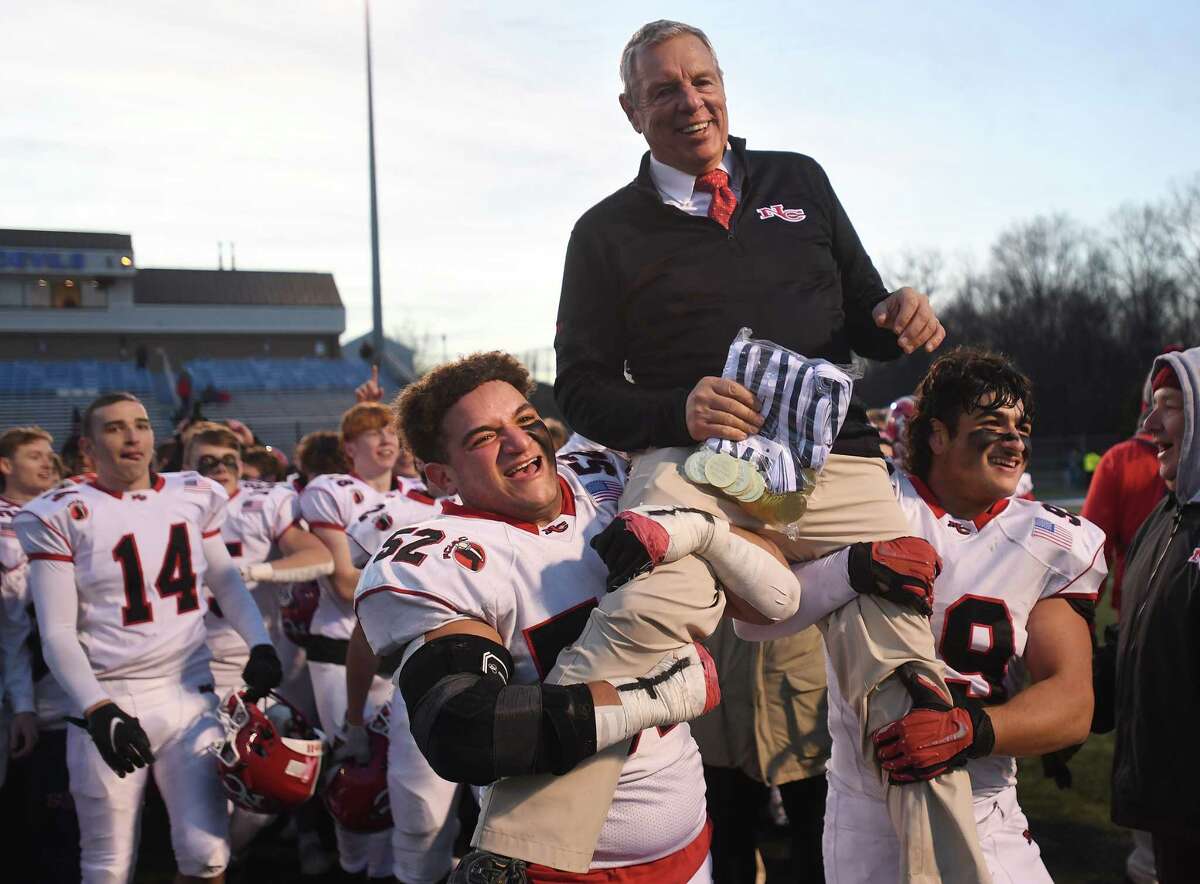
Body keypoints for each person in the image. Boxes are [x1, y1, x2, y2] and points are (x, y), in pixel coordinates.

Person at [480, 20, 982, 880]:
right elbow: (583, 389)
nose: (691, 101)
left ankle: (950, 873)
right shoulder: (604, 232)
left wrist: (897, 313)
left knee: (905, 668)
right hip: (695, 461)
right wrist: (679, 406)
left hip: (833, 457)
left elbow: (861, 313)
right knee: (640, 616)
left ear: (724, 85)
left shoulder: (799, 179)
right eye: (666, 89)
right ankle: (514, 855)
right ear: (631, 111)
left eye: (702, 80)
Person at [354, 352, 752, 882]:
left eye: (525, 421)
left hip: (689, 840)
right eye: (484, 437)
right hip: (558, 864)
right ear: (440, 475)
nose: (519, 443)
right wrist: (654, 697)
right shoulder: (442, 555)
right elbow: (466, 727)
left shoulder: (610, 475)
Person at [738, 348, 1105, 881]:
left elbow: (1072, 704)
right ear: (936, 435)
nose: (1014, 440)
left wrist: (969, 730)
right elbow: (751, 618)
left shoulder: (1048, 538)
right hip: (870, 811)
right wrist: (853, 568)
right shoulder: (873, 505)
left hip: (988, 807)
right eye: (992, 423)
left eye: (1021, 427)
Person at [12, 392, 284, 883]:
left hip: (189, 693)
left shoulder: (194, 494)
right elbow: (55, 631)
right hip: (109, 695)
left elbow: (224, 580)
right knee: (107, 864)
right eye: (114, 428)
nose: (132, 435)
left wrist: (259, 643)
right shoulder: (62, 512)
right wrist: (96, 707)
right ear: (89, 448)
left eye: (140, 424)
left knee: (207, 857)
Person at [299, 402, 406, 879]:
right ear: (348, 447)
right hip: (341, 649)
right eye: (371, 432)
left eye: (390, 429)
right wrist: (421, 578)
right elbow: (344, 585)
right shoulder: (331, 490)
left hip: (402, 653)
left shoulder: (420, 493)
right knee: (356, 771)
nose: (385, 438)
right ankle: (352, 866)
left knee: (399, 776)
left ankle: (385, 870)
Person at [1109, 351, 1200, 883]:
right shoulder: (1166, 517)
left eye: (1169, 406)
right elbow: (1138, 643)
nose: (1149, 425)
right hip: (1169, 809)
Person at [0, 426, 80, 882]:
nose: (49, 463)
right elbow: (13, 621)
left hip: (56, 685)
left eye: (50, 455)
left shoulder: (64, 511)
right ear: (5, 465)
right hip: (19, 678)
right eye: (35, 456)